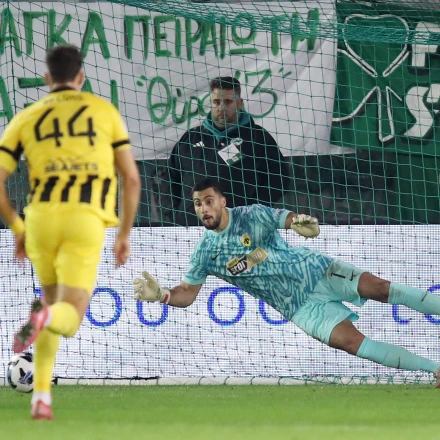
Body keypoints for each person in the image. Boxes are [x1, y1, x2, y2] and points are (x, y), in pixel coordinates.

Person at [134, 177, 440, 384]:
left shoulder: (252, 215)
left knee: (381, 289)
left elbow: (289, 219)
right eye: (198, 204)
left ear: (222, 201)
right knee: (351, 343)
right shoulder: (205, 252)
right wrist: (162, 294)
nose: (204, 209)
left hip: (316, 271)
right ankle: (435, 369)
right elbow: (187, 293)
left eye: (209, 201)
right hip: (299, 307)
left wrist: (302, 223)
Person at [0, 45, 141, 420]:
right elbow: (131, 178)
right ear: (81, 77)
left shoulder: (26, 117)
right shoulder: (103, 111)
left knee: (50, 303)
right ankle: (42, 318)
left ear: (47, 78)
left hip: (40, 220)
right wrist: (123, 234)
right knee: (68, 317)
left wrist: (17, 226)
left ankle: (41, 397)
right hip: (84, 219)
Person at [155, 76, 289, 226]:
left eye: (228, 102)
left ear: (239, 103)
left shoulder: (258, 137)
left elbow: (279, 179)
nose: (222, 108)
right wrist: (176, 214)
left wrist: (253, 212)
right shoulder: (190, 138)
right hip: (193, 228)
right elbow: (169, 178)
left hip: (240, 227)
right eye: (217, 102)